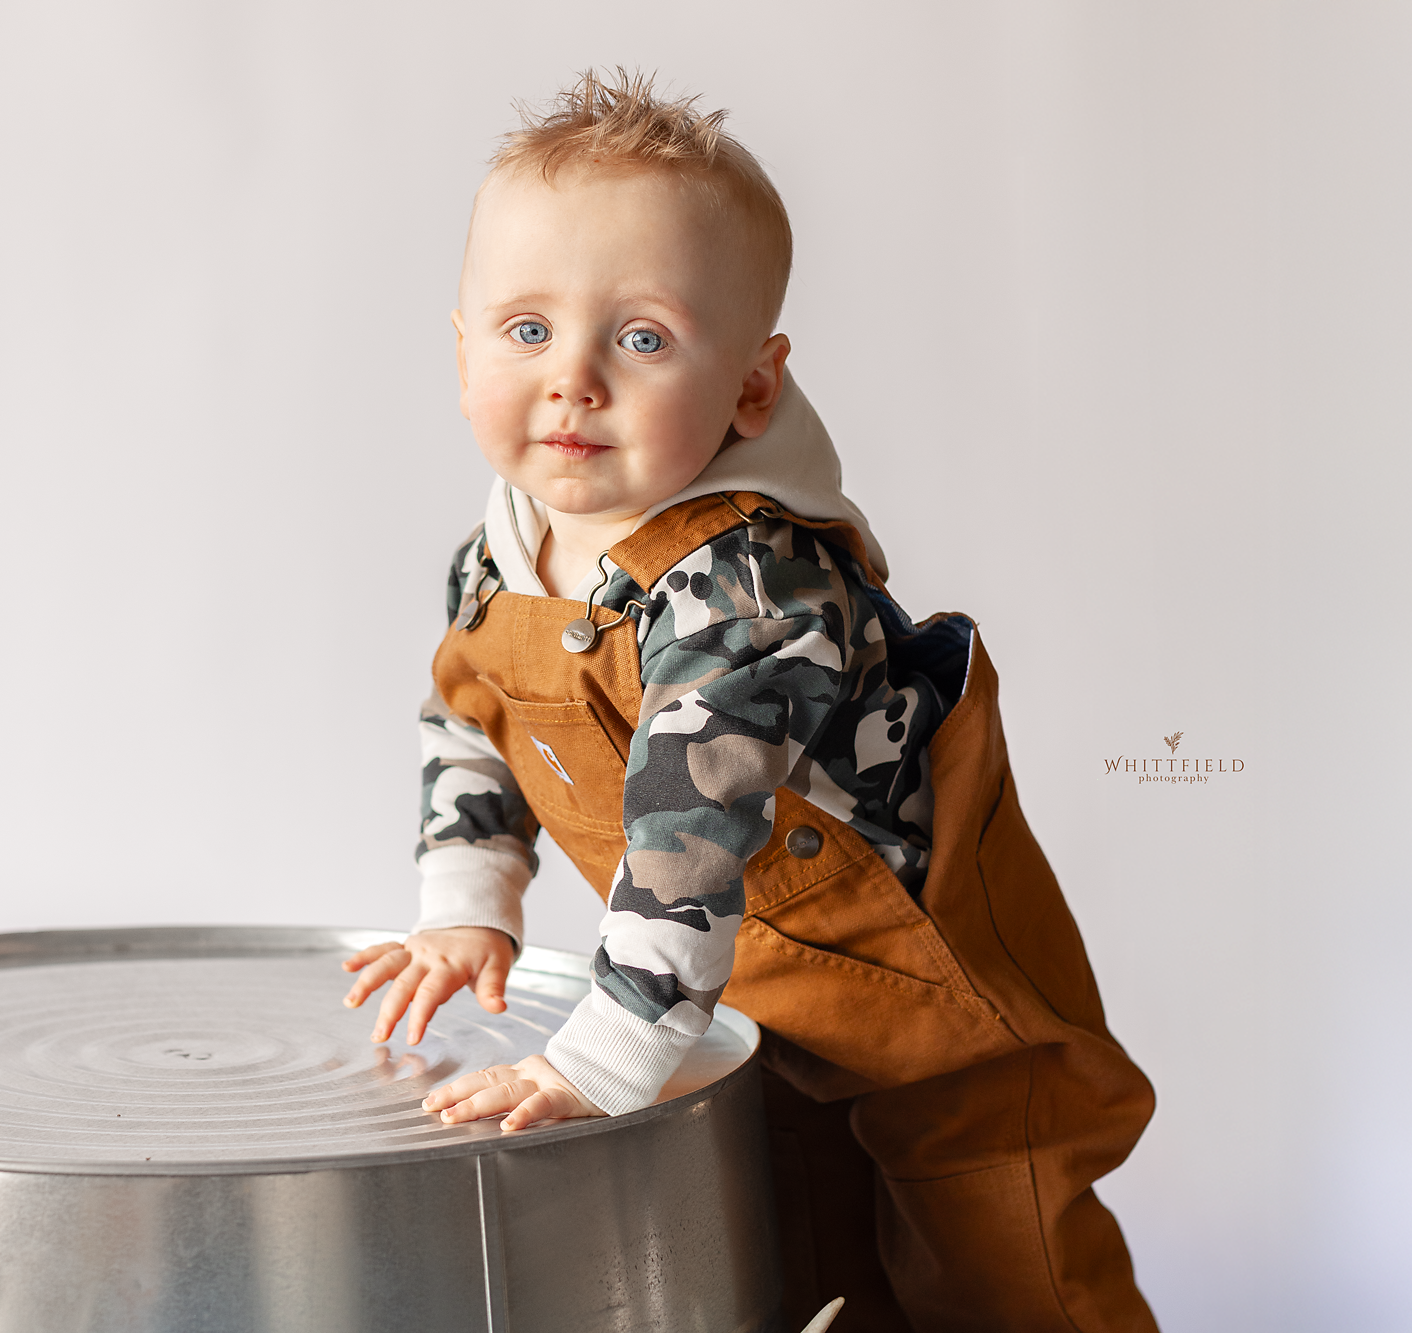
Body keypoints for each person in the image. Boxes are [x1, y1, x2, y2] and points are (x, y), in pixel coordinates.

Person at [339, 68, 1157, 1333]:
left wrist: (605, 1056)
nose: (574, 381)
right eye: (526, 330)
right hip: (743, 1009)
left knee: (1001, 1278)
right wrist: (469, 905)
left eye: (643, 338)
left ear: (751, 390)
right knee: (792, 1270)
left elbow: (689, 826)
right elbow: (470, 715)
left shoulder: (745, 583)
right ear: (460, 352)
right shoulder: (499, 555)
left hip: (932, 1018)